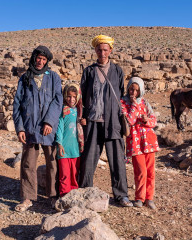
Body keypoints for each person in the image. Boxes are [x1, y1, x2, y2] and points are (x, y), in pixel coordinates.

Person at [79, 34, 133, 207]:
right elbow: (83, 96)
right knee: (89, 158)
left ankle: (121, 195)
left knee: (117, 159)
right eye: (99, 49)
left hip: (113, 122)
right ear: (95, 50)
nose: (102, 52)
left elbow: (121, 93)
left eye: (105, 49)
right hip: (93, 121)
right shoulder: (89, 71)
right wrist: (82, 117)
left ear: (110, 50)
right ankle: (85, 190)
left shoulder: (117, 71)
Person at [12, 45, 63, 212]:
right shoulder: (25, 78)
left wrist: (49, 122)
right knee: (28, 163)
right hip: (30, 127)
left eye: (43, 59)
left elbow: (57, 100)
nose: (40, 62)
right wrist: (20, 128)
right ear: (34, 58)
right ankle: (27, 197)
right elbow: (18, 104)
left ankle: (53, 196)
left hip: (49, 128)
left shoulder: (54, 77)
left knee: (53, 162)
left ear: (47, 61)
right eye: (38, 58)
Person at [121, 77, 160, 209]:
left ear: (141, 91)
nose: (133, 92)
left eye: (137, 90)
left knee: (150, 172)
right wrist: (134, 105)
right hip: (135, 142)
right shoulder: (123, 103)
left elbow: (154, 121)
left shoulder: (145, 102)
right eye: (131, 89)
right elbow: (129, 121)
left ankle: (149, 198)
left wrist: (146, 120)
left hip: (149, 141)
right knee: (140, 171)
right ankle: (139, 197)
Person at [55, 83, 84, 197]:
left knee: (74, 174)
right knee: (64, 174)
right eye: (68, 96)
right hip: (63, 149)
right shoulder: (63, 110)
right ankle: (64, 195)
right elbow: (59, 128)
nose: (71, 99)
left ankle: (73, 195)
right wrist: (59, 144)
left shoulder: (79, 111)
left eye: (74, 96)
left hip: (75, 150)